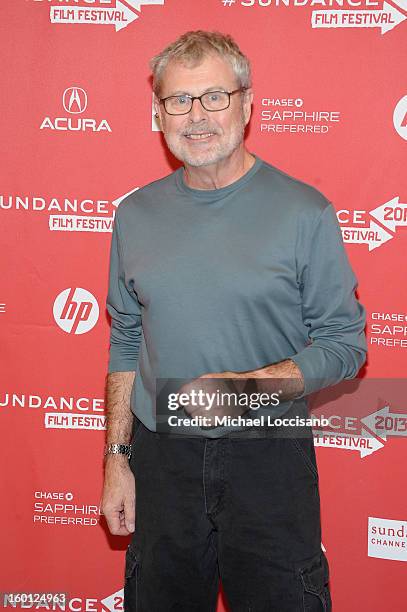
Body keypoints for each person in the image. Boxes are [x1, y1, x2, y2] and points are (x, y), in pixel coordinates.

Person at [100, 30, 367, 611]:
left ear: (247, 104)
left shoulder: (304, 212)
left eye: (214, 97)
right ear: (158, 113)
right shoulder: (135, 214)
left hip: (265, 453)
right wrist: (117, 460)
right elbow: (124, 339)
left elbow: (346, 344)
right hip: (161, 454)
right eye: (179, 101)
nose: (197, 117)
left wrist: (257, 386)